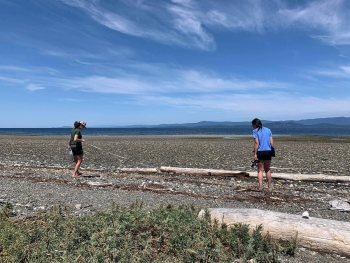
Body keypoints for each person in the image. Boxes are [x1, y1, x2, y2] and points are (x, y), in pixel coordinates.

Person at [252, 118, 274, 191]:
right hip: (268, 151)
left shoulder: (255, 131)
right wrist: (272, 150)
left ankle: (260, 186)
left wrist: (255, 153)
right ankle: (269, 186)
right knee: (267, 169)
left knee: (260, 170)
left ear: (255, 124)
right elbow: (271, 142)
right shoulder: (268, 130)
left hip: (260, 151)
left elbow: (256, 143)